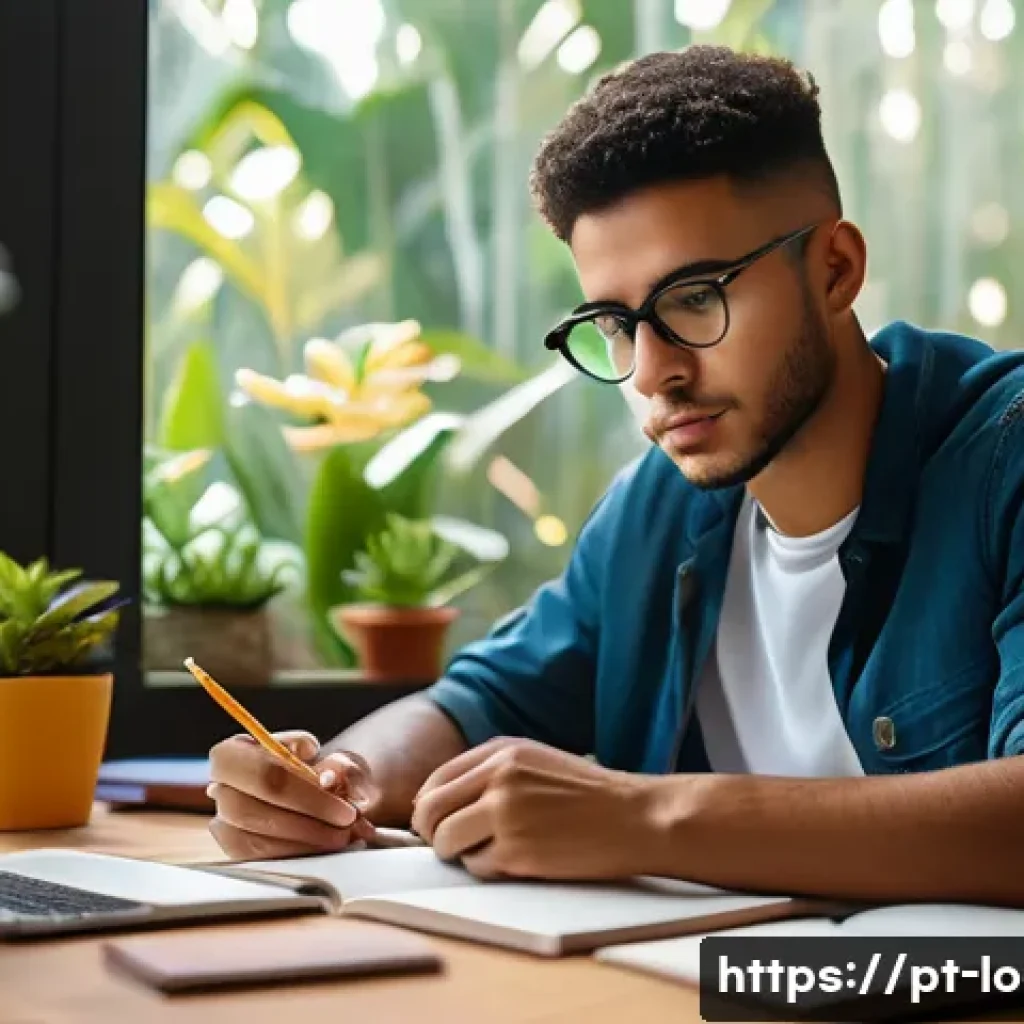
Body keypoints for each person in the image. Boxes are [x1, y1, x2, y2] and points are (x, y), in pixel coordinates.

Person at [207, 45, 1024, 905]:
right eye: (615, 323)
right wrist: (340, 783)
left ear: (835, 270)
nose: (650, 371)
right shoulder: (660, 512)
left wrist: (646, 819)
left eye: (696, 297)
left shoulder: (1003, 454)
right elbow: (476, 703)